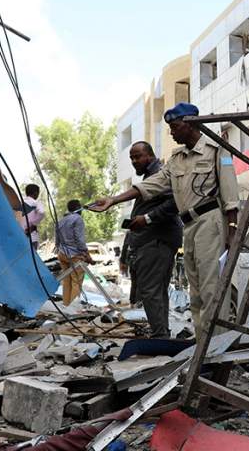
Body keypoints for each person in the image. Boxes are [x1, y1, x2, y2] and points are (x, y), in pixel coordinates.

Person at [90, 103, 239, 339]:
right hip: (189, 226)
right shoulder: (177, 158)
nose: (171, 132)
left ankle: (216, 346)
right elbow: (153, 184)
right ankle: (203, 346)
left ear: (190, 124)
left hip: (210, 221)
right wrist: (114, 200)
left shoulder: (216, 150)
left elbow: (231, 194)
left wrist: (232, 231)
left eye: (175, 127)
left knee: (212, 290)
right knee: (197, 293)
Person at [119, 141, 183, 338]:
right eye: (131, 158)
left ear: (150, 155)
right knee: (156, 290)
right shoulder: (151, 175)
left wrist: (147, 219)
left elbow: (175, 202)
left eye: (138, 156)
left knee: (149, 290)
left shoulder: (159, 175)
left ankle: (160, 334)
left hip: (156, 240)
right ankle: (161, 332)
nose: (134, 161)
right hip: (153, 240)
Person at [55, 199, 94, 305]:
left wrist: (58, 248)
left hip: (62, 254)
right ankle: (72, 308)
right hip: (74, 255)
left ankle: (66, 306)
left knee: (66, 282)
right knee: (76, 282)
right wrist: (87, 255)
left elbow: (57, 240)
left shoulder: (61, 220)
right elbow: (79, 240)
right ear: (78, 208)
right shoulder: (78, 219)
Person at [17, 184, 45, 250]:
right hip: (31, 236)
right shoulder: (35, 203)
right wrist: (33, 224)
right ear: (36, 193)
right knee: (33, 257)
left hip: (19, 236)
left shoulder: (19, 203)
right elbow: (42, 212)